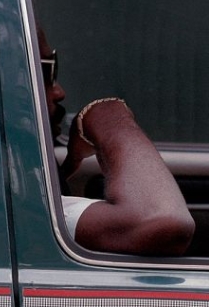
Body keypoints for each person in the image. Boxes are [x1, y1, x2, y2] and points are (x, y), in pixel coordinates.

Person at [38, 28, 194, 256]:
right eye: (45, 71)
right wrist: (106, 115)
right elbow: (161, 220)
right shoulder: (14, 204)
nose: (59, 92)